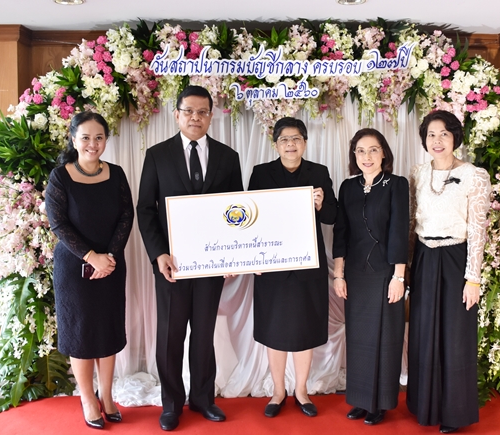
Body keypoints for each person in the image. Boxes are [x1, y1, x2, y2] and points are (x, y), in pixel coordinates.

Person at [137, 85, 243, 431]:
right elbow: (145, 209)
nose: (195, 117)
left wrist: (231, 256)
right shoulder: (157, 155)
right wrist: (158, 254)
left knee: (204, 333)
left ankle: (202, 398)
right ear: (177, 114)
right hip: (172, 265)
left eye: (202, 112)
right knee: (170, 336)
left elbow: (235, 211)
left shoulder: (228, 157)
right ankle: (171, 404)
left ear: (211, 116)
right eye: (188, 111)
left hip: (211, 265)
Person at [45, 111, 134, 430]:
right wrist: (91, 256)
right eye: (85, 137)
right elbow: (58, 223)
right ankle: (87, 399)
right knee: (80, 333)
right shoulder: (60, 177)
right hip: (74, 268)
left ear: (106, 140)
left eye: (99, 137)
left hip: (111, 265)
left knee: (108, 330)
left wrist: (109, 257)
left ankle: (106, 396)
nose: (92, 144)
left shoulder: (117, 173)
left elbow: (126, 215)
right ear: (73, 139)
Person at [406, 110, 491, 434]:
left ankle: (454, 413)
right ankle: (425, 406)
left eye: (444, 133)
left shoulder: (474, 175)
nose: (437, 140)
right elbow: (411, 223)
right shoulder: (418, 173)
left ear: (455, 137)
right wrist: (408, 269)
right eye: (431, 134)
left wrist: (473, 278)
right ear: (424, 139)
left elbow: (478, 229)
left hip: (457, 258)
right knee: (423, 332)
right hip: (424, 258)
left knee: (455, 336)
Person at [248, 117, 337, 418]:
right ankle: (278, 391)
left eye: (296, 138)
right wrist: (253, 258)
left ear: (305, 143)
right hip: (271, 264)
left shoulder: (319, 172)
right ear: (276, 145)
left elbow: (333, 217)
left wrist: (322, 204)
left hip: (307, 264)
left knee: (305, 327)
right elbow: (250, 219)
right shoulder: (261, 173)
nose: (290, 144)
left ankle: (301, 391)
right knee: (274, 327)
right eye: (284, 139)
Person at [332, 128, 409, 425]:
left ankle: (380, 403)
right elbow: (341, 232)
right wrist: (339, 275)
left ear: (384, 153)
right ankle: (361, 400)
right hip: (355, 275)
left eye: (373, 150)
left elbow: (399, 231)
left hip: (386, 273)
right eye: (361, 151)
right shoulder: (347, 187)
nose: (367, 156)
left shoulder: (396, 184)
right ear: (354, 155)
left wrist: (399, 277)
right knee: (359, 339)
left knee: (385, 339)